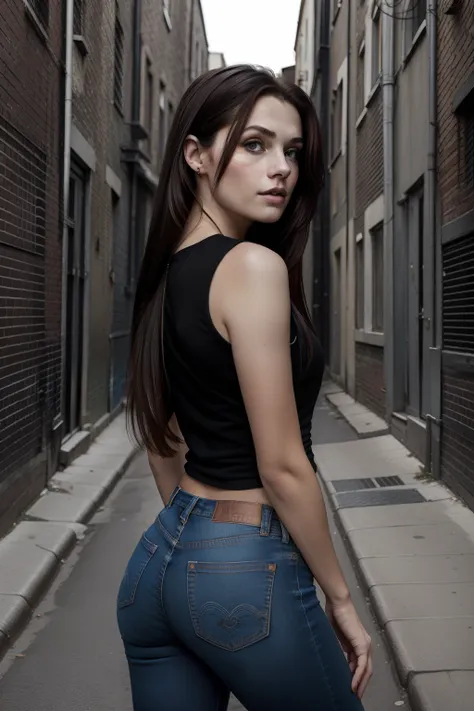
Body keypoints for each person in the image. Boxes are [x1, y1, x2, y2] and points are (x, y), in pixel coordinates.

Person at [117, 64, 372, 711]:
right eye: (255, 144)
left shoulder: (166, 275)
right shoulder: (252, 267)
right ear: (197, 155)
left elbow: (162, 438)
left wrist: (193, 542)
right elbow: (283, 465)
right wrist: (339, 596)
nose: (281, 167)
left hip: (156, 567)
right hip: (239, 560)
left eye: (291, 151)